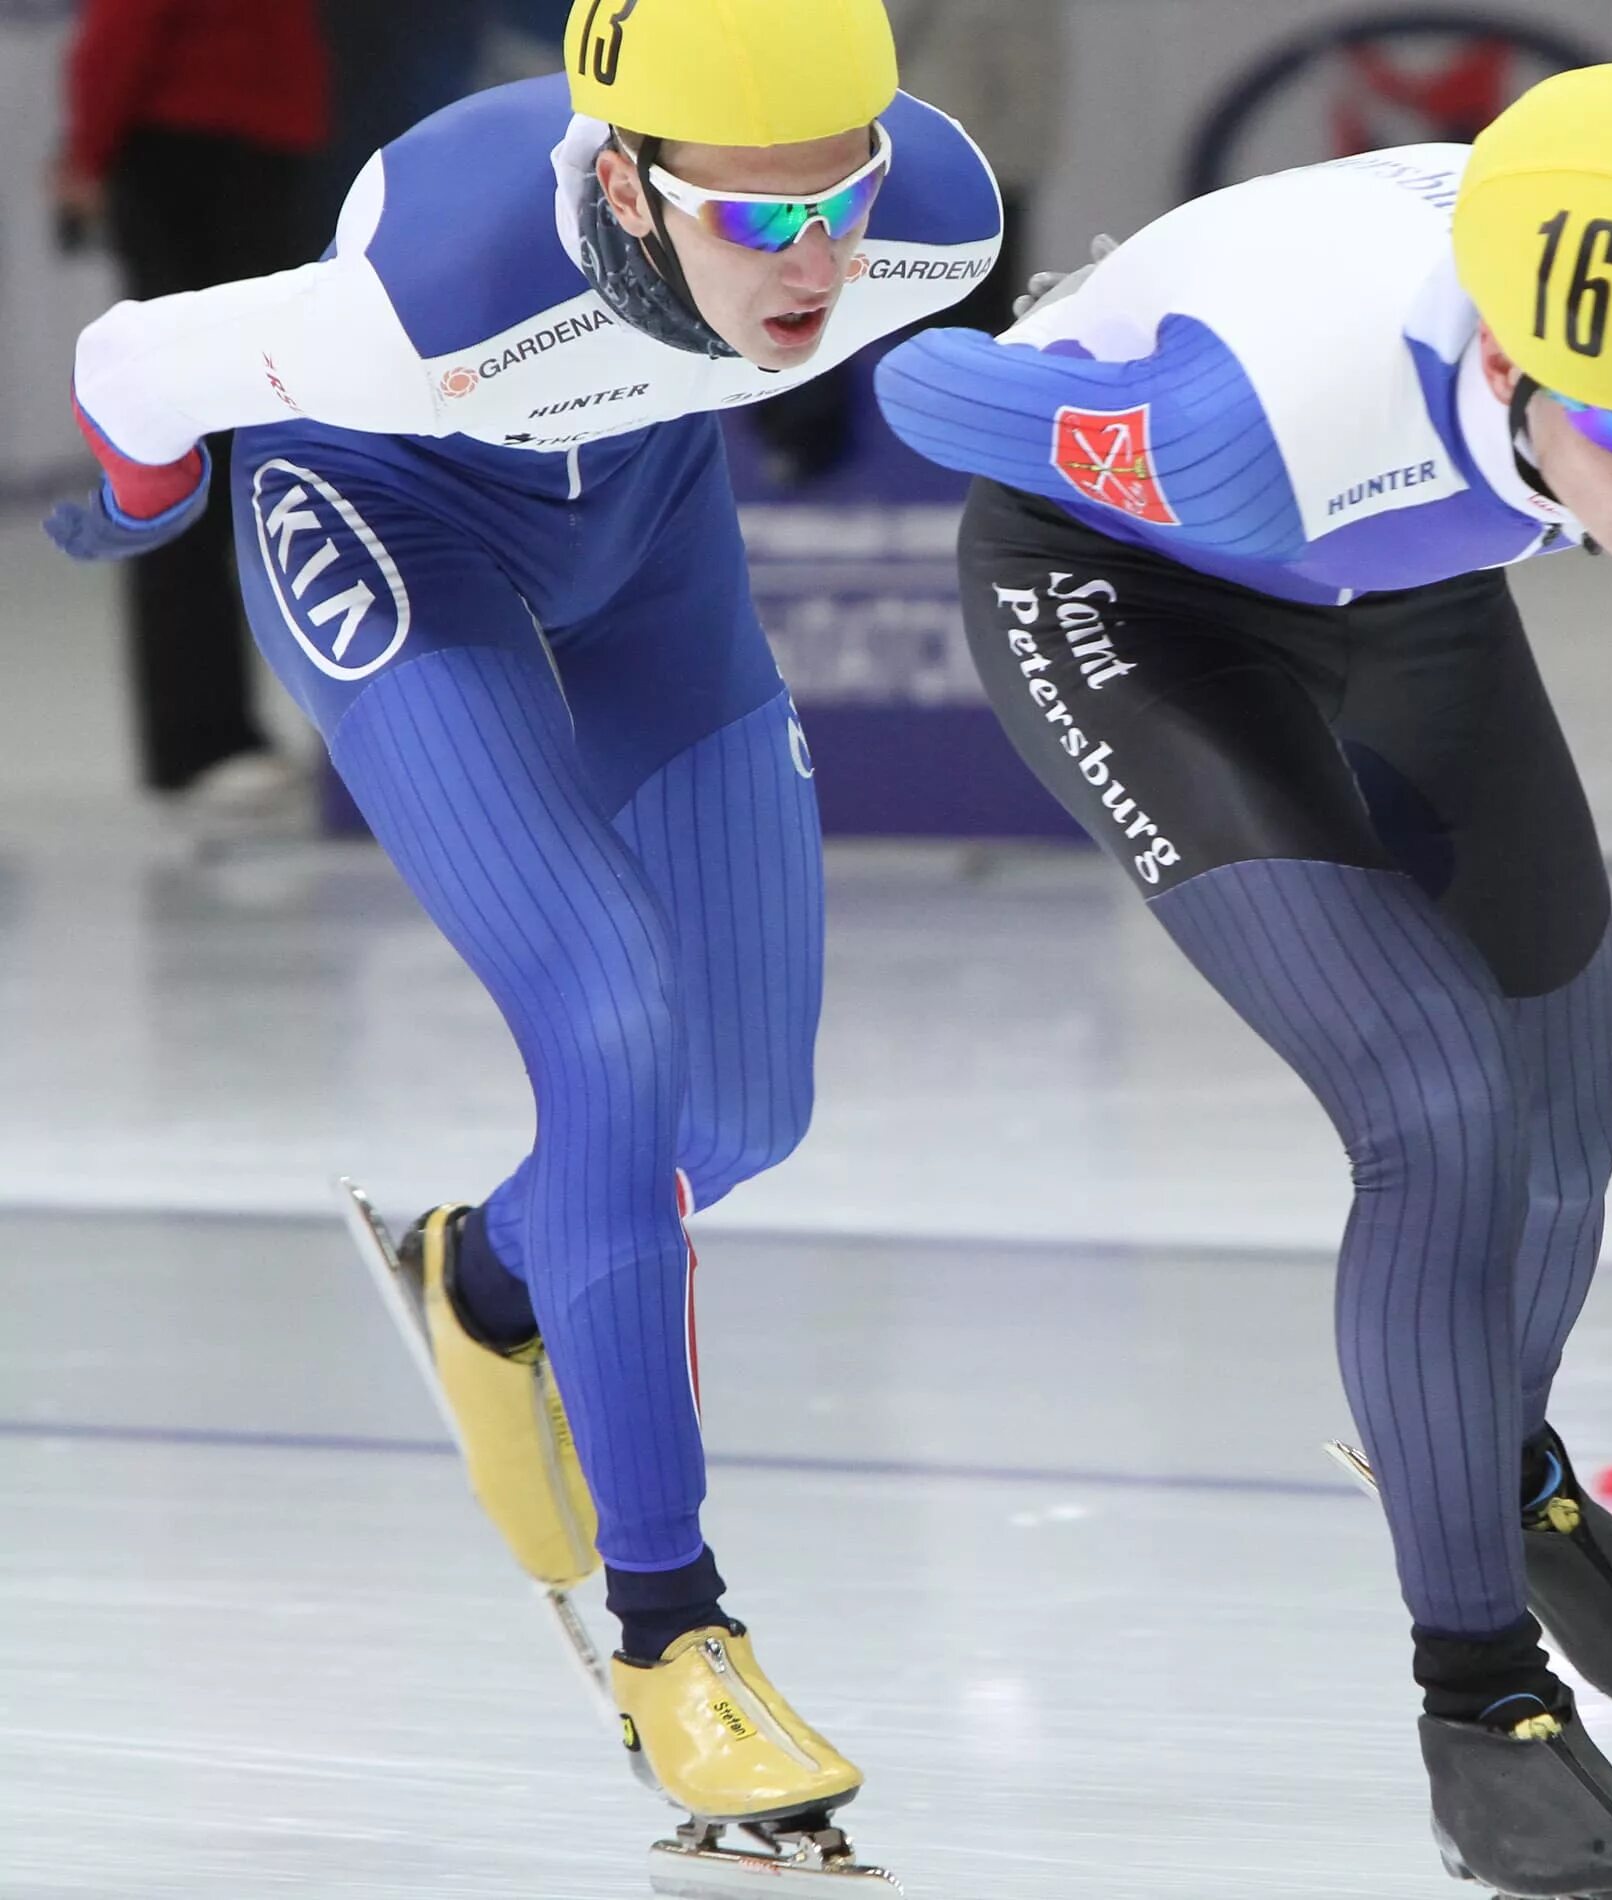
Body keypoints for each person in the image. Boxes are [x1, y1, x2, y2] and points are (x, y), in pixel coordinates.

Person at [45, 0, 1003, 1879]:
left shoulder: (934, 215)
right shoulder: (420, 297)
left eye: (841, 202)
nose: (814, 265)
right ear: (631, 188)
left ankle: (489, 1281)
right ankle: (678, 1636)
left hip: (648, 537)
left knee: (736, 1120)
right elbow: (125, 356)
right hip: (386, 513)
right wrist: (144, 505)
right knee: (615, 1025)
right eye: (753, 222)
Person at [874, 63, 1612, 1898]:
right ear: (1518, 377)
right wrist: (1046, 325)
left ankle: (1496, 1466)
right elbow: (927, 391)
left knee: (1561, 1120)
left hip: (1406, 591)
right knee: (1441, 1107)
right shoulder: (1249, 419)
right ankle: (1479, 1702)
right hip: (1136, 584)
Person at [56, 0, 330, 824]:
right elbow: (123, 26)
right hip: (194, 155)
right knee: (183, 432)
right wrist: (86, 154)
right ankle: (196, 737)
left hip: (251, 152)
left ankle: (219, 731)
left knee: (257, 432)